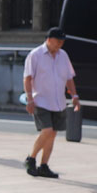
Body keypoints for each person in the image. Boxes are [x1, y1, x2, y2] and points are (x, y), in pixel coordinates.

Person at [23, 26, 79, 179]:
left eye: (62, 41)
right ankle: (31, 158)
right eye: (57, 41)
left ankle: (44, 166)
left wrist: (74, 96)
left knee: (53, 134)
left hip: (58, 101)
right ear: (48, 39)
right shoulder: (35, 55)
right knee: (47, 130)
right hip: (40, 100)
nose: (60, 44)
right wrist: (29, 99)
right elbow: (27, 78)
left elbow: (69, 78)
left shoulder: (63, 56)